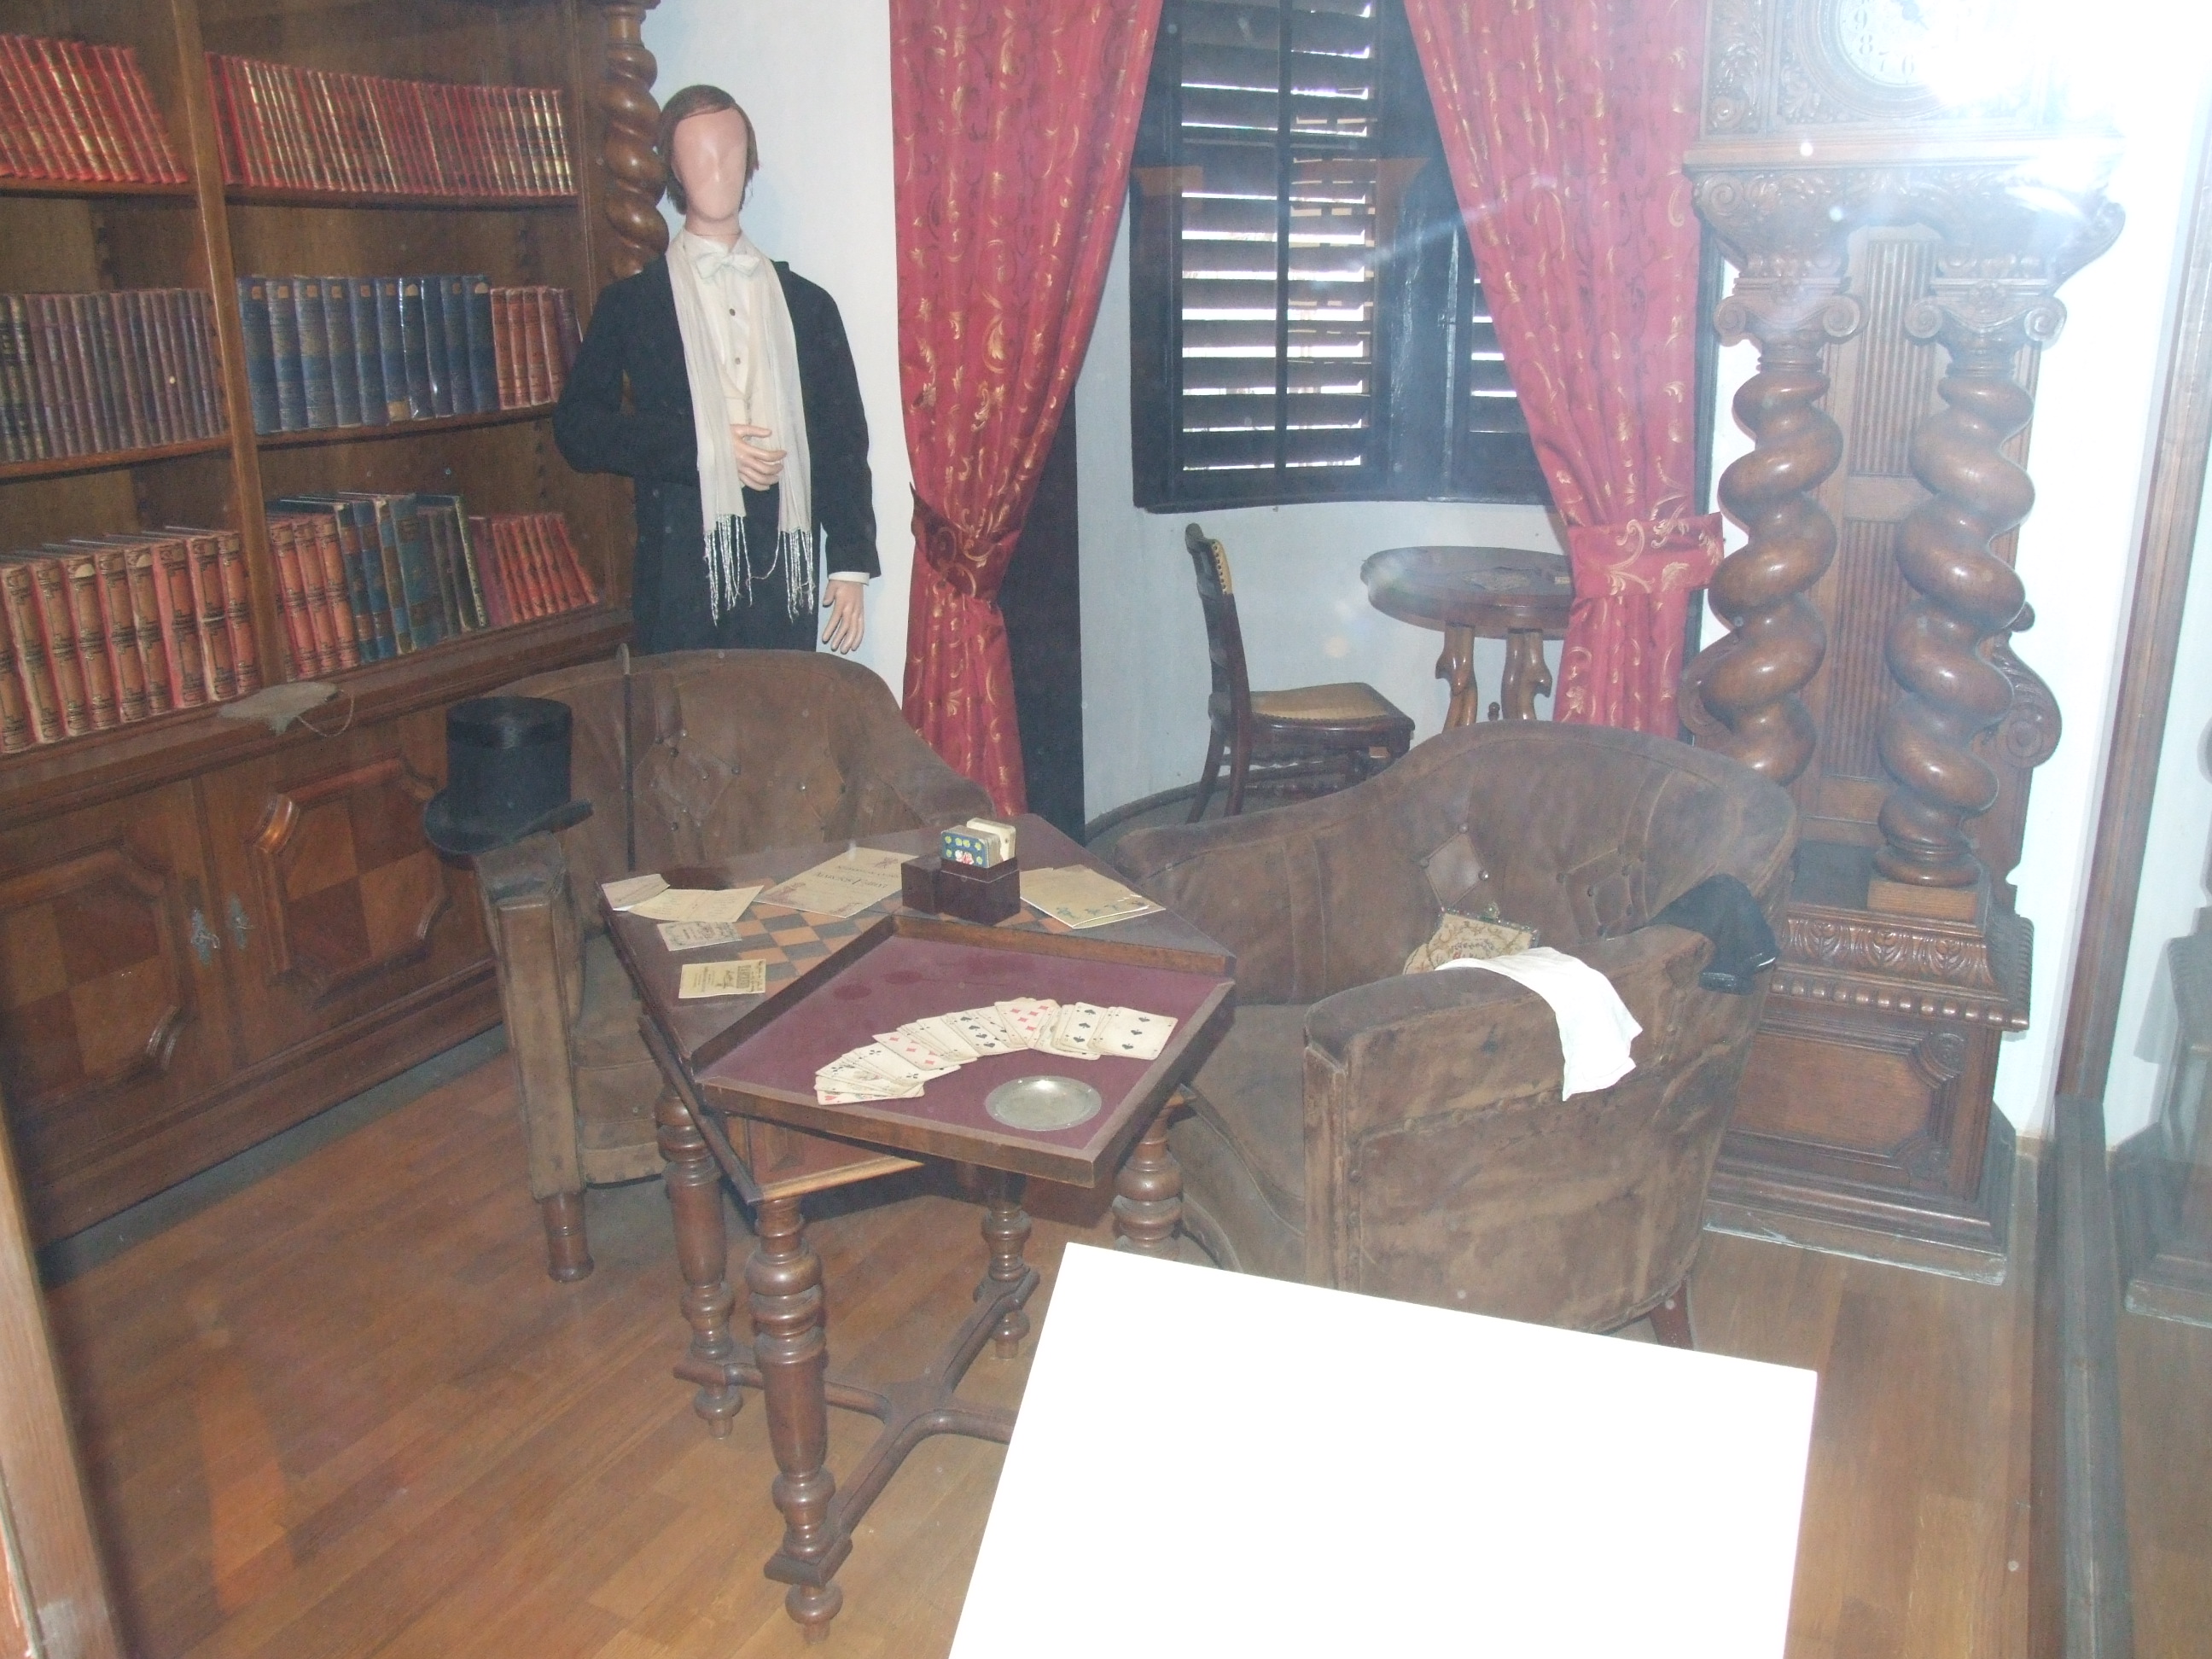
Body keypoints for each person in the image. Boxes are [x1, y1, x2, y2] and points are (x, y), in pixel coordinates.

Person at [554, 85, 875, 655]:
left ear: (751, 162)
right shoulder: (633, 306)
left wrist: (850, 562)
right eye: (699, 155)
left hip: (783, 578)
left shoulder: (808, 306)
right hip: (678, 577)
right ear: (674, 169)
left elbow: (840, 439)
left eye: (730, 152)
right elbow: (578, 430)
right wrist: (701, 446)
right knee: (686, 714)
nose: (718, 169)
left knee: (775, 711)